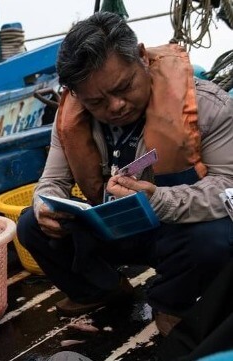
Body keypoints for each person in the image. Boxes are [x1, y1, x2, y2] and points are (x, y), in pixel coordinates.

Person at [18, 11, 233, 337]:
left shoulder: (208, 106)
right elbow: (52, 181)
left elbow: (230, 188)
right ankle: (100, 289)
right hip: (115, 229)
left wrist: (160, 200)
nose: (116, 106)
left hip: (179, 232)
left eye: (124, 87)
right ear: (78, 96)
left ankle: (171, 303)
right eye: (97, 101)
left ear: (143, 58)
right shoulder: (71, 119)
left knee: (218, 237)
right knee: (31, 225)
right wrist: (42, 204)